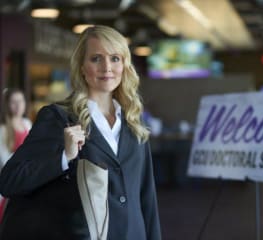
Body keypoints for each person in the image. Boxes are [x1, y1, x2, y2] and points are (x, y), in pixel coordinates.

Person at [0, 25, 161, 240]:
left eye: (115, 58)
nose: (107, 67)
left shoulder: (134, 121)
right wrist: (63, 157)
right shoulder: (58, 118)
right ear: (82, 67)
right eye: (96, 58)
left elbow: (146, 198)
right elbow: (10, 180)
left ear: (124, 65)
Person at [0, 88, 32, 223]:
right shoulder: (3, 130)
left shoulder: (27, 123)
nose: (18, 105)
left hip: (28, 179)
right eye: (14, 102)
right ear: (7, 105)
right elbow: (4, 161)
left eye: (20, 101)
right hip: (13, 182)